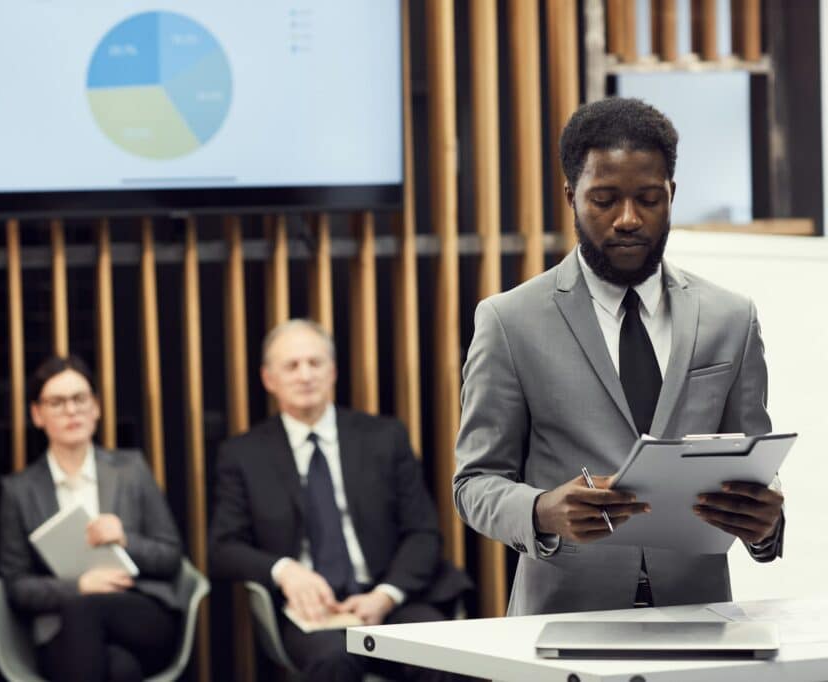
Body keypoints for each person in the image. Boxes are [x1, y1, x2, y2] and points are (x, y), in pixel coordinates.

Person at [453, 97, 785, 616]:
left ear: (672, 195)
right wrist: (542, 510)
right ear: (571, 197)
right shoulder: (509, 320)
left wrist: (765, 527)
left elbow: (754, 467)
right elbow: (473, 483)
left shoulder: (731, 318)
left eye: (649, 199)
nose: (628, 219)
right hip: (560, 620)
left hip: (701, 619)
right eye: (604, 199)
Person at [209, 319, 471, 682]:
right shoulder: (243, 454)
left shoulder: (384, 437)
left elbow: (423, 532)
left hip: (394, 599)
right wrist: (286, 570)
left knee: (447, 657)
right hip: (314, 613)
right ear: (269, 379)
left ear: (333, 371)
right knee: (333, 661)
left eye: (315, 363)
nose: (305, 375)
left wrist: (385, 594)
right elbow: (223, 549)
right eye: (292, 365)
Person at [0, 355, 187, 682]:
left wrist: (125, 538)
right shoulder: (20, 490)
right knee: (120, 669)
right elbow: (17, 585)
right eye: (57, 402)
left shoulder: (131, 470)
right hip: (63, 628)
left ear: (96, 407)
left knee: (85, 610)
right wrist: (78, 587)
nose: (71, 410)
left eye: (80, 399)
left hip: (140, 613)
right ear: (37, 415)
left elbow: (171, 556)